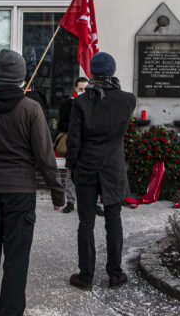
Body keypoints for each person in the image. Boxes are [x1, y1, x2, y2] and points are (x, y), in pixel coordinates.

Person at [0, 49, 65, 316]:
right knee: (16, 260)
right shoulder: (31, 108)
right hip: (20, 193)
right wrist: (57, 192)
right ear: (21, 77)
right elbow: (44, 154)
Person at [66, 52, 136, 291]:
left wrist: (71, 167)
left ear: (92, 73)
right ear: (113, 71)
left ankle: (86, 276)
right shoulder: (127, 100)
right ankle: (115, 274)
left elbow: (74, 141)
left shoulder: (81, 102)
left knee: (86, 222)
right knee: (113, 220)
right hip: (113, 166)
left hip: (86, 167)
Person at [57, 76, 89, 214]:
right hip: (73, 143)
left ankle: (95, 203)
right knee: (70, 174)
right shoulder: (67, 105)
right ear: (75, 89)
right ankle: (70, 202)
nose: (83, 91)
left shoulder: (93, 104)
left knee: (92, 174)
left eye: (86, 89)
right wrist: (75, 124)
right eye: (81, 89)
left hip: (89, 144)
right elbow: (61, 125)